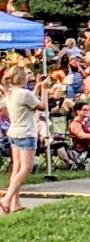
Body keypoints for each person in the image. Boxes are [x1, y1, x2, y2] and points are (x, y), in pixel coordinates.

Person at [1, 66, 47, 214]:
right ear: (21, 77)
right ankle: (7, 199)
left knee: (16, 168)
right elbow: (41, 106)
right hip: (26, 133)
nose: (29, 76)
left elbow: (28, 101)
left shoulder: (11, 93)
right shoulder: (24, 93)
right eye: (27, 74)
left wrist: (38, 87)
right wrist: (45, 90)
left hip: (14, 132)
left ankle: (15, 204)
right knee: (26, 168)